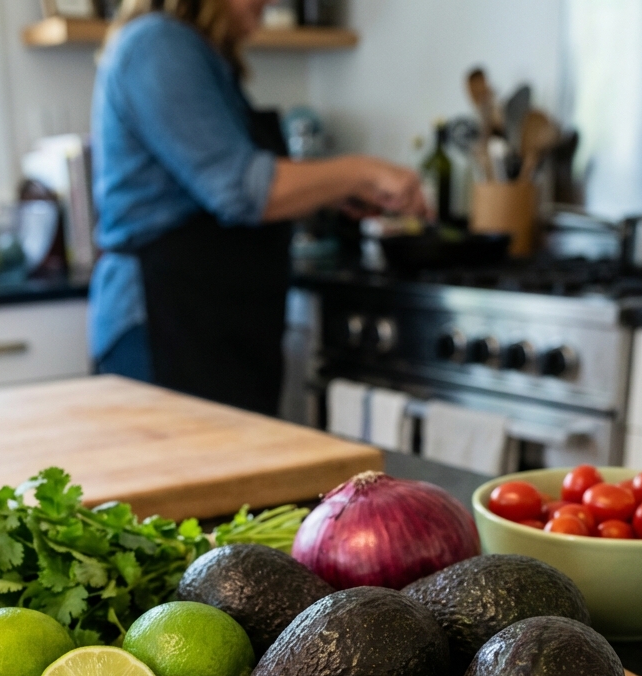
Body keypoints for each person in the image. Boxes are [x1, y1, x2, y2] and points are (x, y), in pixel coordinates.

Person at [89, 0, 426, 416]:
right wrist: (360, 171)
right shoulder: (158, 43)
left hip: (206, 322)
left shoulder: (195, 51)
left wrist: (331, 191)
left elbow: (227, 183)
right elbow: (241, 189)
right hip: (165, 324)